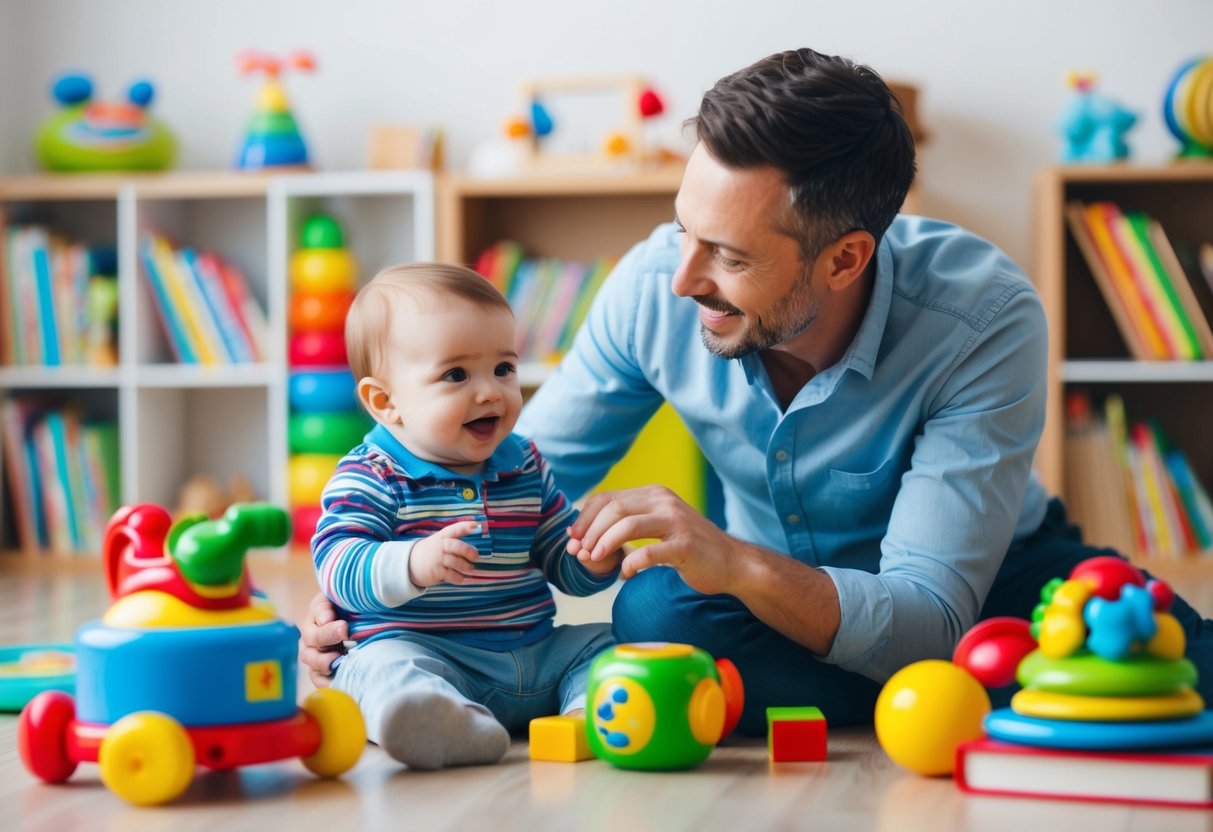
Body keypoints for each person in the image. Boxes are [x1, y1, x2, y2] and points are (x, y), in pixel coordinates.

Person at [302, 48, 1213, 737]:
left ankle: (944, 681)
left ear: (846, 257)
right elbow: (511, 479)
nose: (681, 278)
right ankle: (988, 689)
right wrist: (376, 608)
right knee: (653, 615)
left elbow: (930, 610)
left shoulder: (981, 318)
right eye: (682, 229)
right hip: (765, 603)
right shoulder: (655, 284)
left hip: (981, 579)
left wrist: (734, 562)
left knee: (1172, 658)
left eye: (729, 257)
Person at [310, 262, 619, 769]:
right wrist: (411, 563)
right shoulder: (373, 475)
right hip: (425, 654)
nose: (490, 391)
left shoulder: (524, 461)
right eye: (456, 374)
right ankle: (439, 723)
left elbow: (559, 561)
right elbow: (338, 566)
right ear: (386, 403)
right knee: (379, 669)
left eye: (504, 368)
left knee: (606, 641)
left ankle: (587, 712)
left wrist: (593, 557)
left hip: (530, 655)